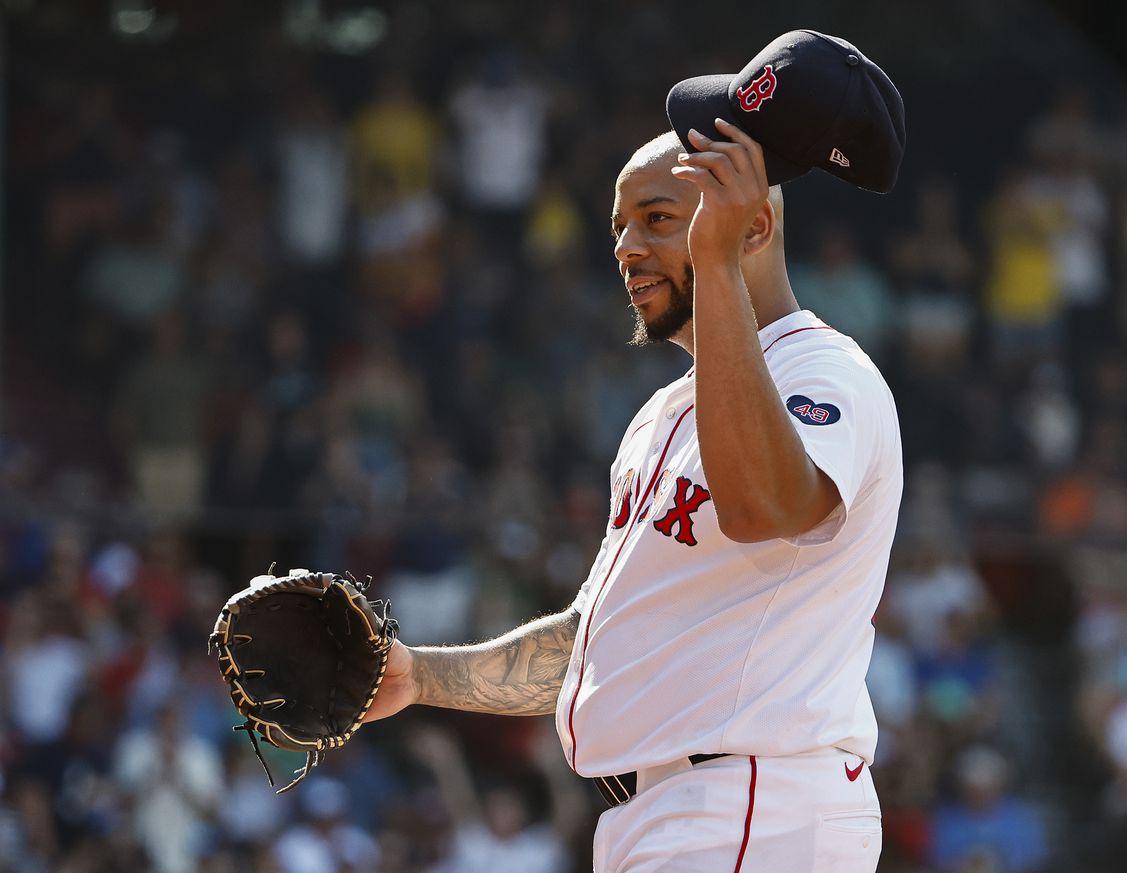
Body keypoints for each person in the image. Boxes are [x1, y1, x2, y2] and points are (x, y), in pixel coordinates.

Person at [367, 32, 905, 871]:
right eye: (620, 225)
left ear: (753, 223)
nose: (624, 248)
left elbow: (766, 506)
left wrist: (715, 261)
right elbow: (598, 639)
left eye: (659, 220)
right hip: (668, 814)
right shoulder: (662, 414)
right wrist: (417, 675)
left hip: (751, 801)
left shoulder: (827, 372)